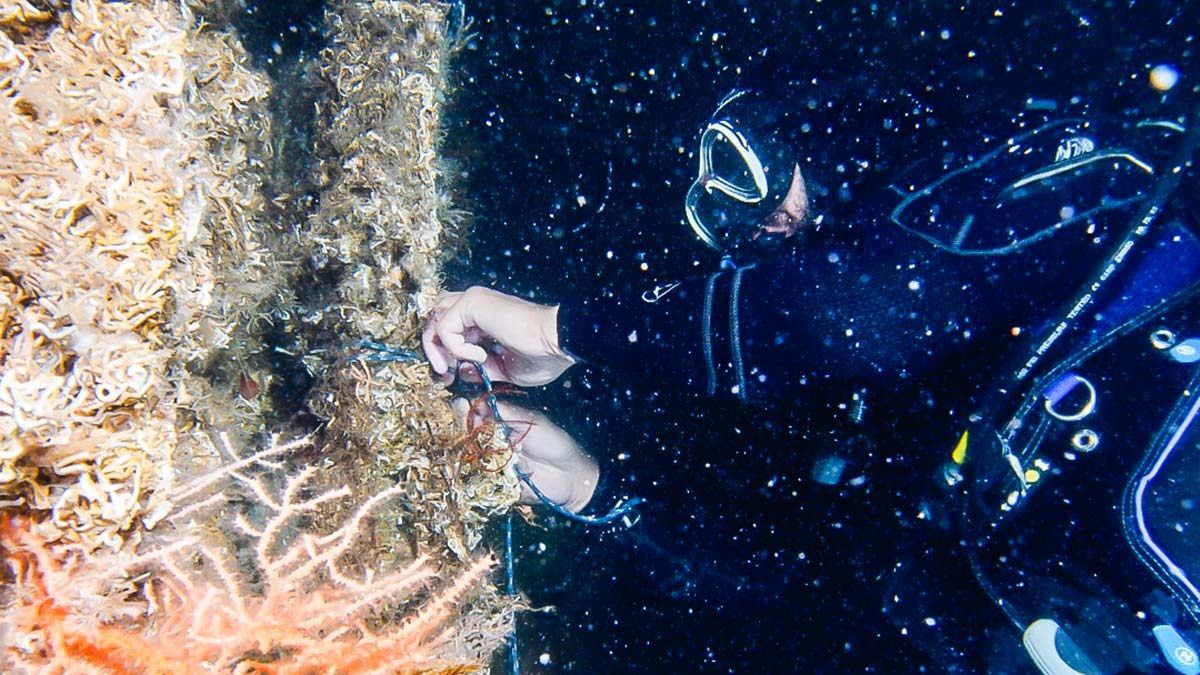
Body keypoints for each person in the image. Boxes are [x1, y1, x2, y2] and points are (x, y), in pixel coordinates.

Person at [425, 86, 1200, 670]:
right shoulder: (881, 402)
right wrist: (591, 484)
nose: (745, 217)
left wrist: (562, 328)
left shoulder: (1070, 166)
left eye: (740, 161)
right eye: (712, 215)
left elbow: (862, 313)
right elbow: (817, 591)